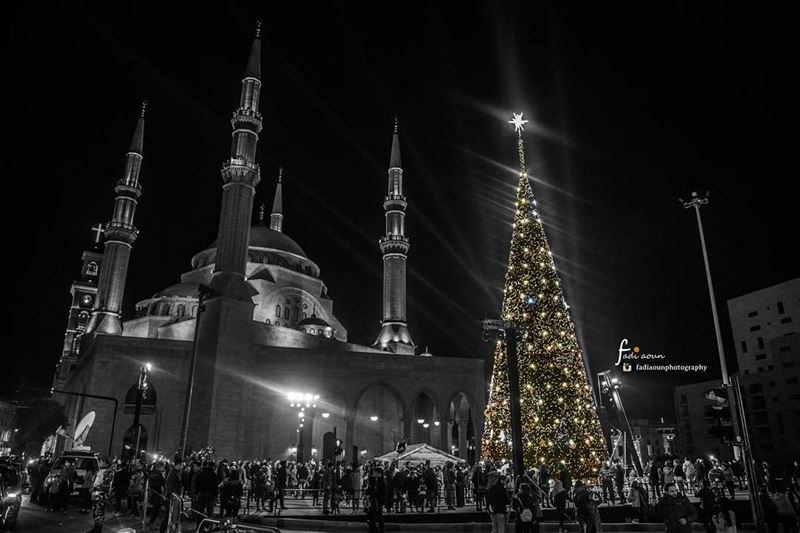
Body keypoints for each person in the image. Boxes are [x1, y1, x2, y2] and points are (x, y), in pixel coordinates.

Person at [85, 457, 114, 533]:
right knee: (95, 512)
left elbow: (106, 485)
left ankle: (98, 530)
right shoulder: (101, 471)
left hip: (102, 495)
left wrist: (95, 488)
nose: (99, 463)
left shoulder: (108, 472)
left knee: (99, 513)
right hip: (97, 495)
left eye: (100, 461)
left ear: (104, 462)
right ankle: (95, 528)